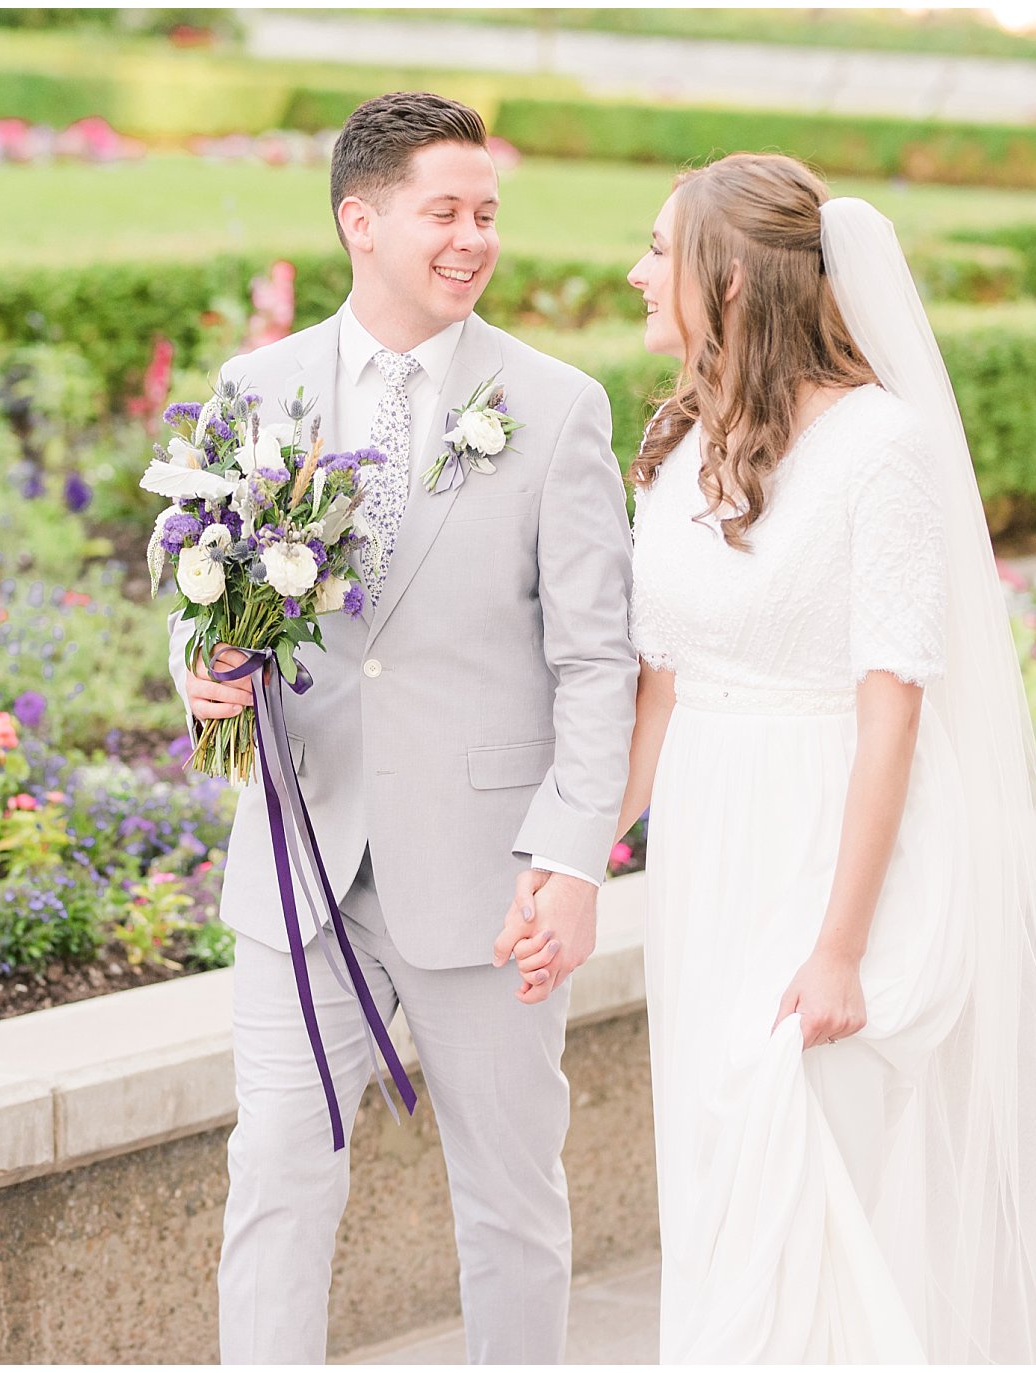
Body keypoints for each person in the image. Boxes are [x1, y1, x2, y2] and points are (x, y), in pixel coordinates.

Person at [617, 152, 1036, 1362]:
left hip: (831, 839)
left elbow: (890, 702)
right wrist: (582, 845)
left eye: (657, 249)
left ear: (730, 277)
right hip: (707, 842)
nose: (636, 272)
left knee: (800, 1156)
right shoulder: (685, 437)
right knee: (716, 1166)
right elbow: (657, 681)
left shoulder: (878, 449)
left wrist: (839, 945)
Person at [170, 91, 637, 1363]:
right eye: (444, 210)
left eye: (486, 212)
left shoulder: (553, 406)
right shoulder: (251, 389)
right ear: (358, 220)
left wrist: (571, 858)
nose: (472, 237)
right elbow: (194, 583)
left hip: (488, 878)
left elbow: (596, 657)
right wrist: (199, 669)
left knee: (508, 1201)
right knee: (272, 1173)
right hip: (294, 862)